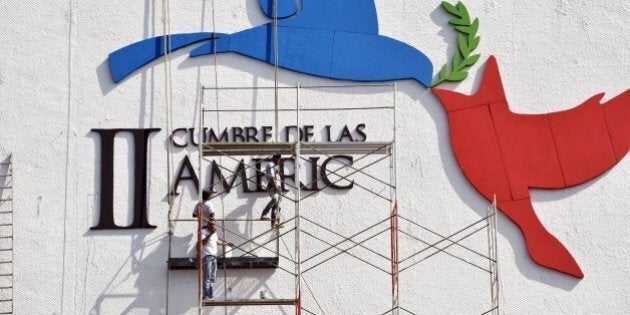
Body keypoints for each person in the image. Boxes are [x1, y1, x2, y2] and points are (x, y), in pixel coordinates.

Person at [200, 223, 231, 300]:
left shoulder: (214, 233)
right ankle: (206, 295)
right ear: (208, 225)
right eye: (213, 226)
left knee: (213, 277)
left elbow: (217, 242)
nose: (215, 227)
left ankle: (210, 295)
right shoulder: (203, 231)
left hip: (214, 257)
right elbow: (203, 242)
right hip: (207, 256)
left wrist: (227, 244)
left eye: (215, 226)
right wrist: (210, 233)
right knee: (207, 276)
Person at [260, 153, 282, 228]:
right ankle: (264, 214)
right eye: (278, 159)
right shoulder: (270, 165)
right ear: (275, 158)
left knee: (276, 204)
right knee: (275, 200)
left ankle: (273, 222)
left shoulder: (275, 166)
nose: (279, 161)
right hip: (273, 187)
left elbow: (276, 176)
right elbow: (271, 177)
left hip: (277, 187)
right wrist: (275, 187)